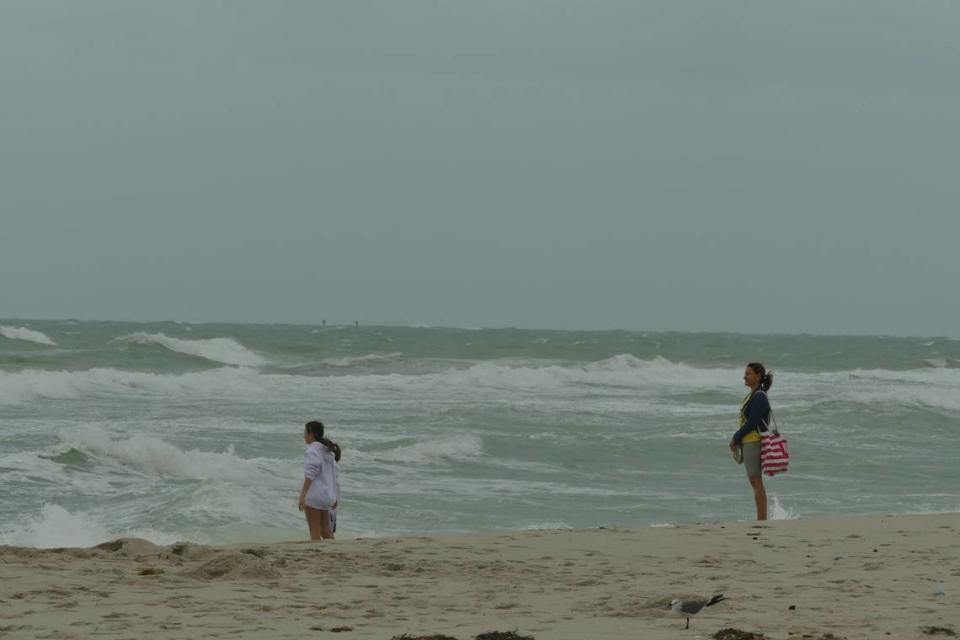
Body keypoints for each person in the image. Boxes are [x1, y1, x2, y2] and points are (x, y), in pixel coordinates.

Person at [729, 362, 773, 520]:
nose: (744, 377)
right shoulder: (754, 394)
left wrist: (736, 437)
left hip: (754, 440)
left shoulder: (759, 396)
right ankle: (761, 518)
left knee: (756, 480)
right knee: (754, 481)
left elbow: (753, 422)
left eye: (747, 374)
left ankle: (762, 520)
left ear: (758, 376)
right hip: (749, 440)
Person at [299, 420, 342, 540]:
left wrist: (303, 496)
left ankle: (316, 554)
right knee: (327, 529)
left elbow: (310, 475)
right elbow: (335, 476)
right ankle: (332, 553)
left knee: (315, 531)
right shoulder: (328, 451)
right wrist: (335, 496)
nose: (304, 436)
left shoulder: (312, 451)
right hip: (328, 496)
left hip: (315, 496)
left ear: (311, 434)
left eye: (305, 433)